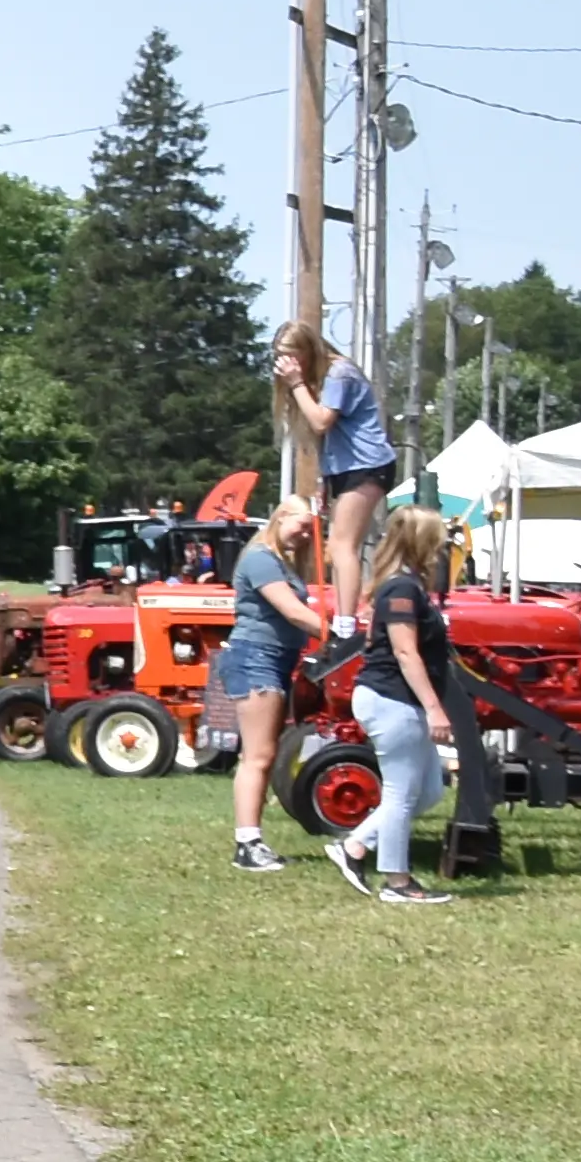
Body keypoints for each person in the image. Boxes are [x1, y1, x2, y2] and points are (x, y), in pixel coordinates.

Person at [340, 504, 476, 904]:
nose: (442, 548)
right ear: (421, 542)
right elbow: (405, 652)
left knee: (430, 790)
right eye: (438, 540)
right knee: (400, 794)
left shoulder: (407, 585)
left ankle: (355, 845)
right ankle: (397, 883)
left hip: (398, 700)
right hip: (391, 699)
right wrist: (435, 708)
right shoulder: (401, 588)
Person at [211, 499, 325, 874]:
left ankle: (253, 841)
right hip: (255, 658)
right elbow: (291, 610)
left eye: (312, 528)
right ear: (280, 518)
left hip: (275, 659)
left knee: (265, 754)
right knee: (257, 757)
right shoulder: (261, 558)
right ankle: (247, 845)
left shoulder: (282, 560)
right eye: (302, 525)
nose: (307, 533)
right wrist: (339, 632)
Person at [275, 324, 404, 629]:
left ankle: (346, 622)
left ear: (309, 350)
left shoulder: (339, 373)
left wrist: (296, 384)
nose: (288, 364)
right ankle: (348, 613)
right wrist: (324, 480)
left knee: (342, 545)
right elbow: (327, 439)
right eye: (281, 358)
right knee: (338, 544)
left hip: (367, 463)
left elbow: (321, 422)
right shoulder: (319, 380)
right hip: (344, 468)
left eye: (292, 356)